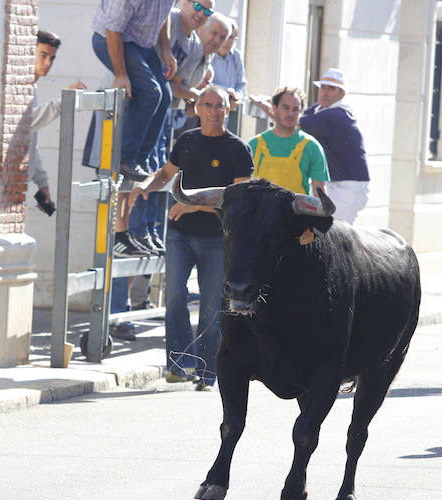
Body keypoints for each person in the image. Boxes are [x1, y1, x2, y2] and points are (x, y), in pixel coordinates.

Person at [128, 85, 254, 390]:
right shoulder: (186, 140)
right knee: (174, 298)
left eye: (219, 106)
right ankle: (178, 365)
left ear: (229, 109)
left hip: (216, 238)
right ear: (197, 108)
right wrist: (145, 185)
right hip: (180, 236)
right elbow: (167, 172)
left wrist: (193, 204)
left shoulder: (238, 149)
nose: (213, 112)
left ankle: (207, 372)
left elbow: (238, 200)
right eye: (207, 105)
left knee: (212, 304)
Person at [91, 0, 178, 181]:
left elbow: (163, 15)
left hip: (142, 45)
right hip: (110, 39)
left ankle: (140, 159)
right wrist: (121, 74)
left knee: (165, 97)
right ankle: (125, 159)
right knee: (150, 93)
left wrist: (166, 50)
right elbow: (112, 30)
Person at [299, 68, 370, 223]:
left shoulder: (337, 115)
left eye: (331, 88)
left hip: (350, 186)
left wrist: (267, 107)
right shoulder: (320, 109)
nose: (325, 92)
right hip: (333, 182)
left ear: (341, 94)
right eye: (323, 87)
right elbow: (298, 115)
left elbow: (296, 122)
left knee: (337, 234)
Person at [30, 30, 86, 215]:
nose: (48, 63)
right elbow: (26, 123)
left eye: (52, 58)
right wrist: (64, 100)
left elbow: (29, 141)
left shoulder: (31, 88)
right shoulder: (19, 87)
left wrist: (42, 182)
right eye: (43, 55)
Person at [249, 87, 329, 195]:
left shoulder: (312, 147)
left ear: (301, 112)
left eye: (295, 109)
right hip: (260, 211)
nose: (291, 114)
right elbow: (243, 187)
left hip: (297, 211)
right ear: (274, 108)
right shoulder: (254, 145)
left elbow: (319, 193)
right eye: (285, 108)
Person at [210, 17, 247, 133]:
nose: (226, 41)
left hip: (228, 116)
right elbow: (202, 83)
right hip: (208, 113)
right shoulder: (208, 53)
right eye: (224, 37)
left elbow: (241, 84)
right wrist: (226, 92)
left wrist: (237, 97)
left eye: (231, 37)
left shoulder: (236, 56)